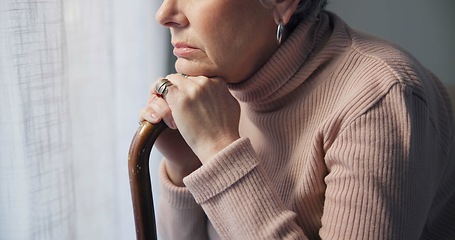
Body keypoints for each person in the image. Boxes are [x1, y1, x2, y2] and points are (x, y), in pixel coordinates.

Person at [139, 0, 455, 239]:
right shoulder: (221, 80)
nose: (164, 14)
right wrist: (185, 167)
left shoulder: (380, 100)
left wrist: (218, 150)